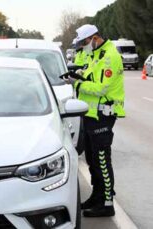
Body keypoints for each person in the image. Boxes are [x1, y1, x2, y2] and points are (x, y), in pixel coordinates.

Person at [65, 24, 126, 217]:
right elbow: (89, 75)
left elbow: (101, 88)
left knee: (101, 159)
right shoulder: (95, 54)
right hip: (91, 115)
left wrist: (79, 84)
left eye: (84, 43)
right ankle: (97, 196)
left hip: (103, 115)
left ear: (93, 38)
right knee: (92, 159)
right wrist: (76, 75)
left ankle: (107, 203)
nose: (84, 47)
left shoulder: (110, 56)